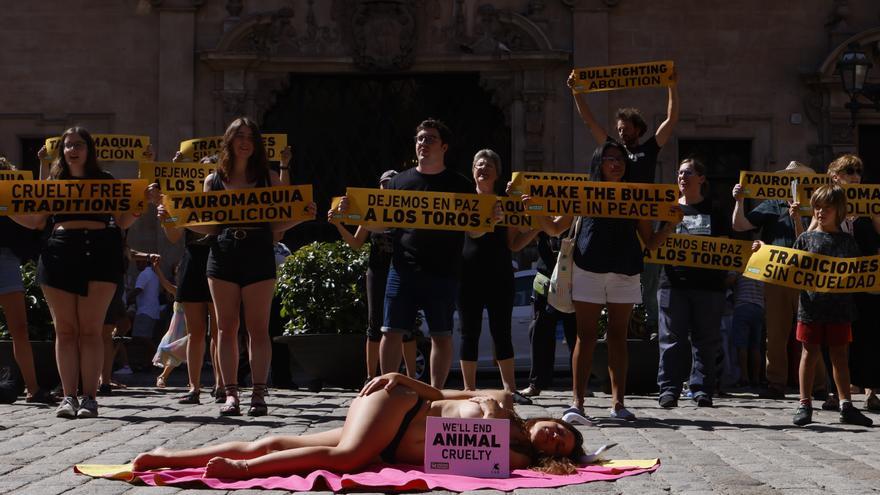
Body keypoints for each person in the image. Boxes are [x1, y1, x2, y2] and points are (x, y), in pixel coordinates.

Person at [131, 372, 586, 478]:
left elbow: (474, 465)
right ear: (548, 417)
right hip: (399, 406)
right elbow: (440, 395)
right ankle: (242, 472)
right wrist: (399, 377)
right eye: (560, 429)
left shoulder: (517, 457)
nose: (555, 437)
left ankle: (168, 459)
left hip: (387, 445)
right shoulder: (503, 399)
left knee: (279, 440)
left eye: (560, 446)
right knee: (347, 458)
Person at [168, 117, 315, 417]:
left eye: (250, 136)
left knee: (258, 328)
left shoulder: (268, 177)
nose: (245, 141)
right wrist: (174, 216)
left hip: (259, 250)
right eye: (239, 136)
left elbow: (278, 229)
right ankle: (231, 393)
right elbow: (206, 227)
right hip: (222, 251)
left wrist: (302, 215)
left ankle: (259, 393)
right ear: (229, 141)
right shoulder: (213, 180)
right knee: (225, 327)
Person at [338, 118, 499, 388]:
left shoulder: (460, 185)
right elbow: (383, 225)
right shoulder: (399, 182)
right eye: (420, 139)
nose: (423, 143)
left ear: (444, 146)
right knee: (390, 331)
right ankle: (386, 389)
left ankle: (435, 394)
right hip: (403, 268)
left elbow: (474, 232)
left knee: (441, 335)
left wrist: (490, 221)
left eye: (430, 139)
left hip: (444, 270)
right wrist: (354, 214)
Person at [11, 127, 154, 418]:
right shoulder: (54, 182)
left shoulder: (106, 181)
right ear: (62, 152)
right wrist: (5, 207)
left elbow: (123, 221)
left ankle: (89, 397)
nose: (73, 150)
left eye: (79, 145)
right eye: (68, 145)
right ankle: (68, 397)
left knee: (90, 330)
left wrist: (143, 204)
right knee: (65, 330)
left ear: (89, 150)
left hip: (100, 253)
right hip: (59, 252)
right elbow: (37, 221)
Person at [529, 141, 674, 419]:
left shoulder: (635, 195)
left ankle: (618, 404)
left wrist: (670, 225)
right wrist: (533, 206)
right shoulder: (583, 193)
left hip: (625, 271)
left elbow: (651, 243)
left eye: (620, 159)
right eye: (610, 159)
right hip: (588, 269)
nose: (616, 163)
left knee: (619, 337)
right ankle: (578, 403)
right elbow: (555, 227)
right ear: (599, 163)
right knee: (585, 337)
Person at [567, 69, 679, 337]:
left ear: (638, 129)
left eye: (625, 130)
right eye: (618, 130)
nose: (621, 134)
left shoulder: (649, 149)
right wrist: (577, 91)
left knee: (648, 275)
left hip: (639, 220)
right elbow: (588, 121)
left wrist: (671, 86)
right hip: (609, 226)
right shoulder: (612, 152)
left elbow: (671, 120)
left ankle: (646, 325)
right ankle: (613, 324)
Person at [758, 185, 873, 427]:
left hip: (840, 309)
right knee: (808, 355)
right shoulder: (805, 239)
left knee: (840, 356)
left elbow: (859, 272)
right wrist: (763, 251)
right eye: (817, 207)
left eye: (827, 207)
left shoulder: (847, 242)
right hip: (811, 308)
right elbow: (788, 267)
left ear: (838, 210)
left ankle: (846, 405)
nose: (821, 212)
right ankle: (804, 403)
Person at [732, 161, 828, 400]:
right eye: (790, 178)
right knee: (775, 332)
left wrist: (797, 218)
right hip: (777, 276)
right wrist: (739, 201)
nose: (794, 182)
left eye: (798, 178)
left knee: (812, 331)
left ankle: (818, 385)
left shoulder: (814, 206)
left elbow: (808, 241)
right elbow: (740, 225)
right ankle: (776, 382)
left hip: (807, 277)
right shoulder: (772, 205)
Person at [328, 169, 419, 381]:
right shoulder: (370, 211)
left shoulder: (406, 210)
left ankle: (412, 377)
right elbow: (357, 243)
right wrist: (339, 224)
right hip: (377, 271)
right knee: (375, 322)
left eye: (392, 183)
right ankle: (371, 377)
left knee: (408, 325)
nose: (387, 187)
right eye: (384, 184)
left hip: (403, 270)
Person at [458, 149, 534, 396]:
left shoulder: (508, 203)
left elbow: (514, 244)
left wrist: (538, 226)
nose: (483, 168)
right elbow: (468, 233)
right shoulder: (464, 201)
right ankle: (469, 390)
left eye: (489, 165)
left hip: (499, 276)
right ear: (473, 171)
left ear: (497, 173)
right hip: (468, 276)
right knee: (470, 332)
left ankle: (510, 390)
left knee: (502, 332)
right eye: (479, 164)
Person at [657, 158, 729, 408]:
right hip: (673, 284)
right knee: (671, 339)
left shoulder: (715, 211)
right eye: (679, 173)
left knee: (706, 341)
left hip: (708, 287)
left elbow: (726, 247)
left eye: (688, 173)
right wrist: (669, 225)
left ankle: (702, 389)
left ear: (701, 179)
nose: (682, 178)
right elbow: (655, 242)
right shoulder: (667, 209)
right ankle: (669, 390)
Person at [158, 152, 222, 405]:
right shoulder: (186, 201)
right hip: (193, 261)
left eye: (212, 170)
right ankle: (194, 387)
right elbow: (173, 237)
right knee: (196, 332)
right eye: (202, 170)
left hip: (220, 258)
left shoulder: (227, 199)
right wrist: (165, 219)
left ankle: (221, 384)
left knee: (220, 330)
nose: (207, 175)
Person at [0, 158, 55, 404]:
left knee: (19, 328)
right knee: (18, 329)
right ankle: (32, 388)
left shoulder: (15, 198)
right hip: (8, 260)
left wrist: (43, 165)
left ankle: (33, 389)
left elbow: (39, 205)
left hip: (7, 258)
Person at [730, 273, 764, 388]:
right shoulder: (762, 268)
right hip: (759, 308)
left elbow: (730, 280)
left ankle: (744, 377)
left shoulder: (741, 265)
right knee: (756, 346)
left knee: (742, 345)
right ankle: (756, 378)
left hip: (742, 306)